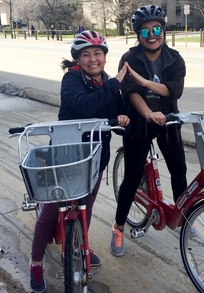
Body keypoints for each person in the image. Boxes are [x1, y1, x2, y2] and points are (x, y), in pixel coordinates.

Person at [29, 30, 130, 293]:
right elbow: (86, 106)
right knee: (51, 211)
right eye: (86, 54)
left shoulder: (106, 82)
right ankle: (36, 263)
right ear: (78, 58)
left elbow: (114, 110)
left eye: (98, 53)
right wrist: (117, 81)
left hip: (96, 158)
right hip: (65, 156)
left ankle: (74, 246)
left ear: (105, 57)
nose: (93, 59)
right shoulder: (72, 79)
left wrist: (121, 117)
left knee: (86, 207)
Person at [110, 5, 187, 257]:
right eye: (145, 31)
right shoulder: (130, 58)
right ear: (138, 35)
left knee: (179, 170)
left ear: (163, 30)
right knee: (132, 177)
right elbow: (131, 92)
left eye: (156, 29)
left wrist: (147, 83)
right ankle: (119, 227)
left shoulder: (175, 58)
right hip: (139, 122)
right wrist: (147, 113)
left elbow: (174, 89)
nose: (152, 35)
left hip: (168, 121)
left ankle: (184, 218)